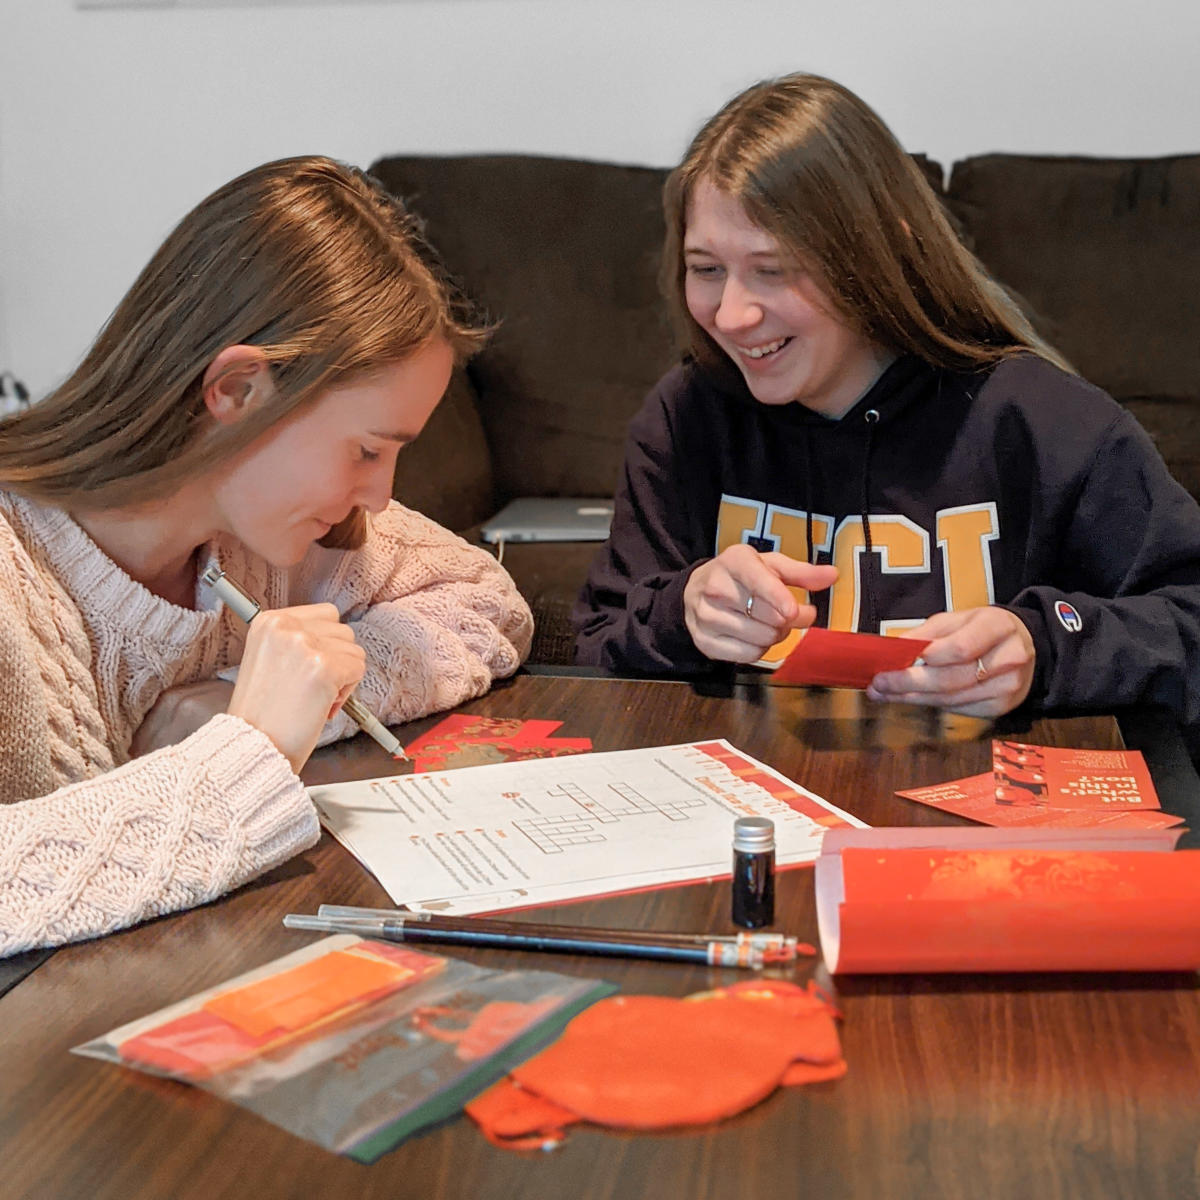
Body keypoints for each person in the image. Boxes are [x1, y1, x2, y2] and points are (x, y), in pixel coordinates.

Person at [0, 156, 532, 956]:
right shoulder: (18, 576)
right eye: (365, 449)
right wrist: (254, 746)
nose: (381, 496)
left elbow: (482, 596)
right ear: (237, 391)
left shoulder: (269, 541)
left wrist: (249, 694)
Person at [575, 73, 1200, 737]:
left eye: (774, 268)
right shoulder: (685, 417)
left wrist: (1043, 646)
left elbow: (1187, 617)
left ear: (880, 253)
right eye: (705, 269)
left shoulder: (1047, 423)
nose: (731, 314)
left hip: (976, 820)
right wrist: (685, 611)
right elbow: (594, 639)